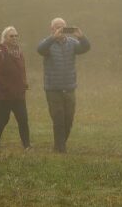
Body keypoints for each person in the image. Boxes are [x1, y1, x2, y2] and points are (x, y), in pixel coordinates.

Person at [36, 17, 91, 153]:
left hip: (69, 87)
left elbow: (86, 48)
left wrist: (82, 37)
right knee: (58, 118)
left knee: (69, 119)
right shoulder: (47, 44)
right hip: (53, 89)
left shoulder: (72, 43)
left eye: (63, 26)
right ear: (52, 29)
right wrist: (52, 38)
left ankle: (60, 145)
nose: (60, 29)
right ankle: (60, 148)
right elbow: (40, 49)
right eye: (57, 27)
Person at [0, 25, 31, 149]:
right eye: (11, 36)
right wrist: (5, 89)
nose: (14, 38)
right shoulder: (0, 54)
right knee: (3, 120)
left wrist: (24, 84)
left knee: (23, 120)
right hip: (4, 96)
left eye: (16, 36)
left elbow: (21, 72)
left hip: (19, 95)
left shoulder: (20, 53)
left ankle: (27, 145)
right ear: (5, 38)